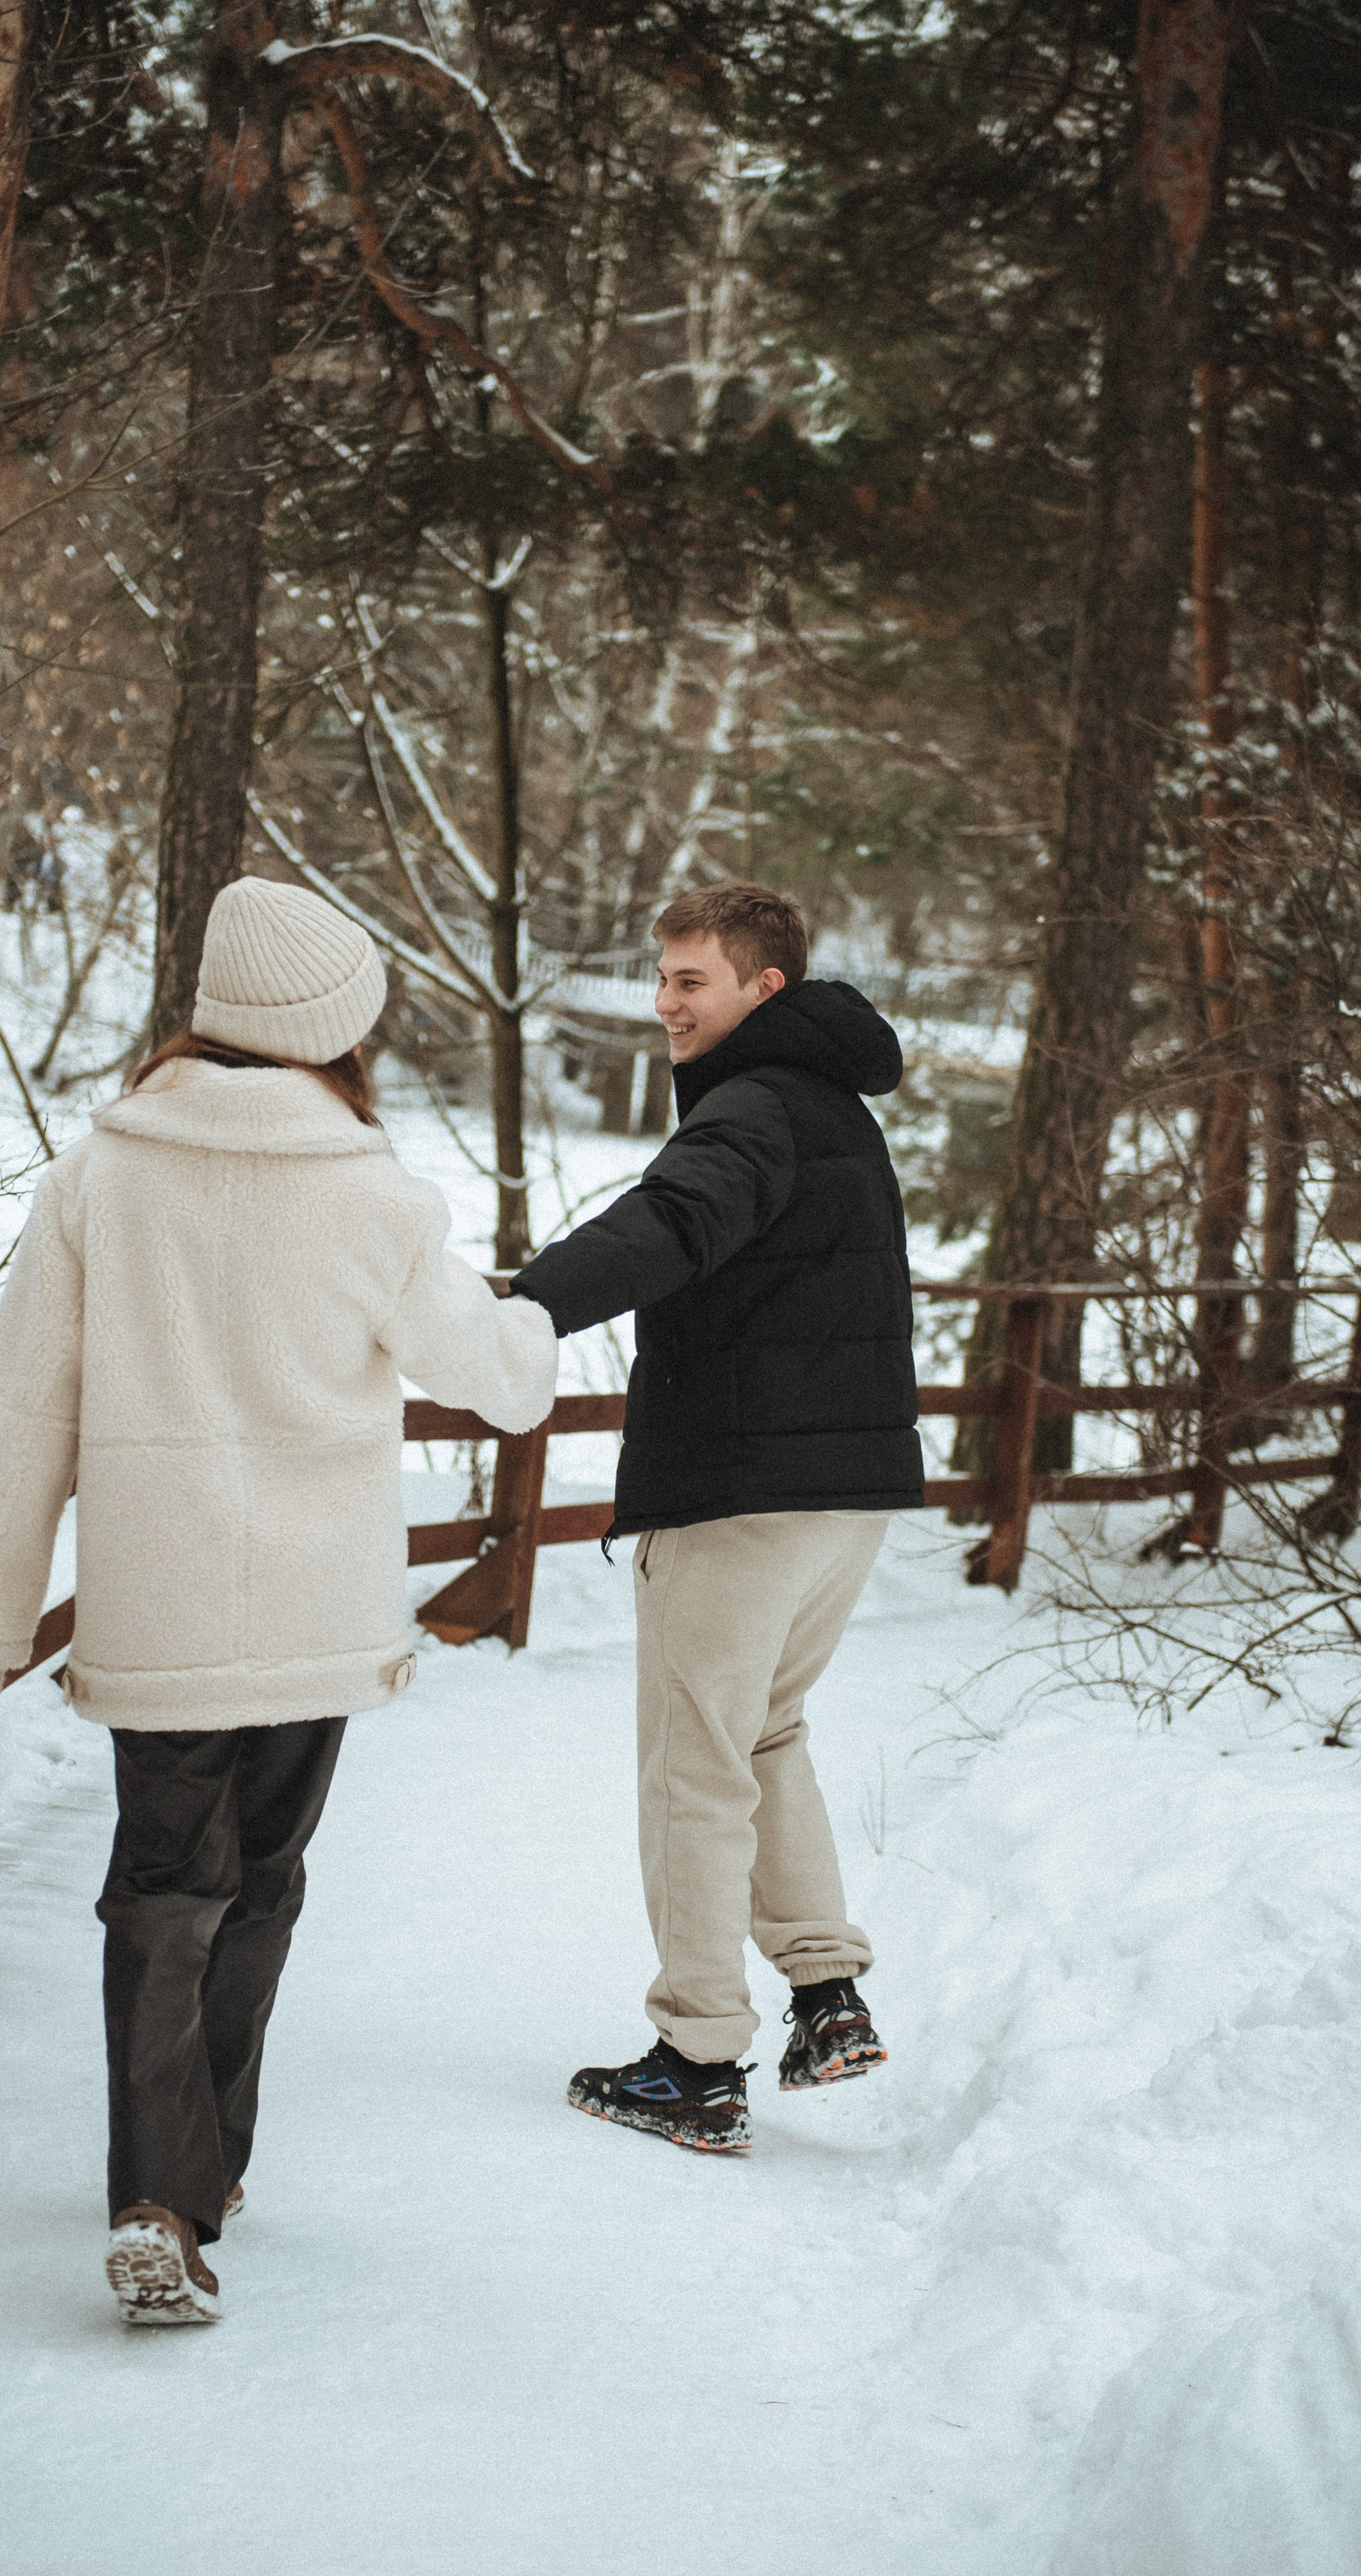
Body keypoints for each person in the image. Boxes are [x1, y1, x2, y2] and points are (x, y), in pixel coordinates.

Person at [0, 878, 557, 2321]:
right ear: (333, 1029)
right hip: (316, 1619)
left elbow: (19, 1418)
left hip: (160, 1609)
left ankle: (166, 2189)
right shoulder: (374, 1192)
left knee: (160, 1891)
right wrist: (532, 1313)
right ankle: (189, 2187)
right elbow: (500, 1378)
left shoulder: (99, 1175)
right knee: (259, 1882)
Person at [511, 882, 920, 2153]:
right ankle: (827, 1994)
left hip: (744, 1493)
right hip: (842, 1493)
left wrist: (523, 1310)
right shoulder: (833, 1106)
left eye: (692, 980)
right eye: (663, 975)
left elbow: (670, 1224)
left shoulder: (752, 1109)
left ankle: (695, 2059)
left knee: (695, 1770)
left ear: (765, 991)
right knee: (762, 1738)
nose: (664, 1002)